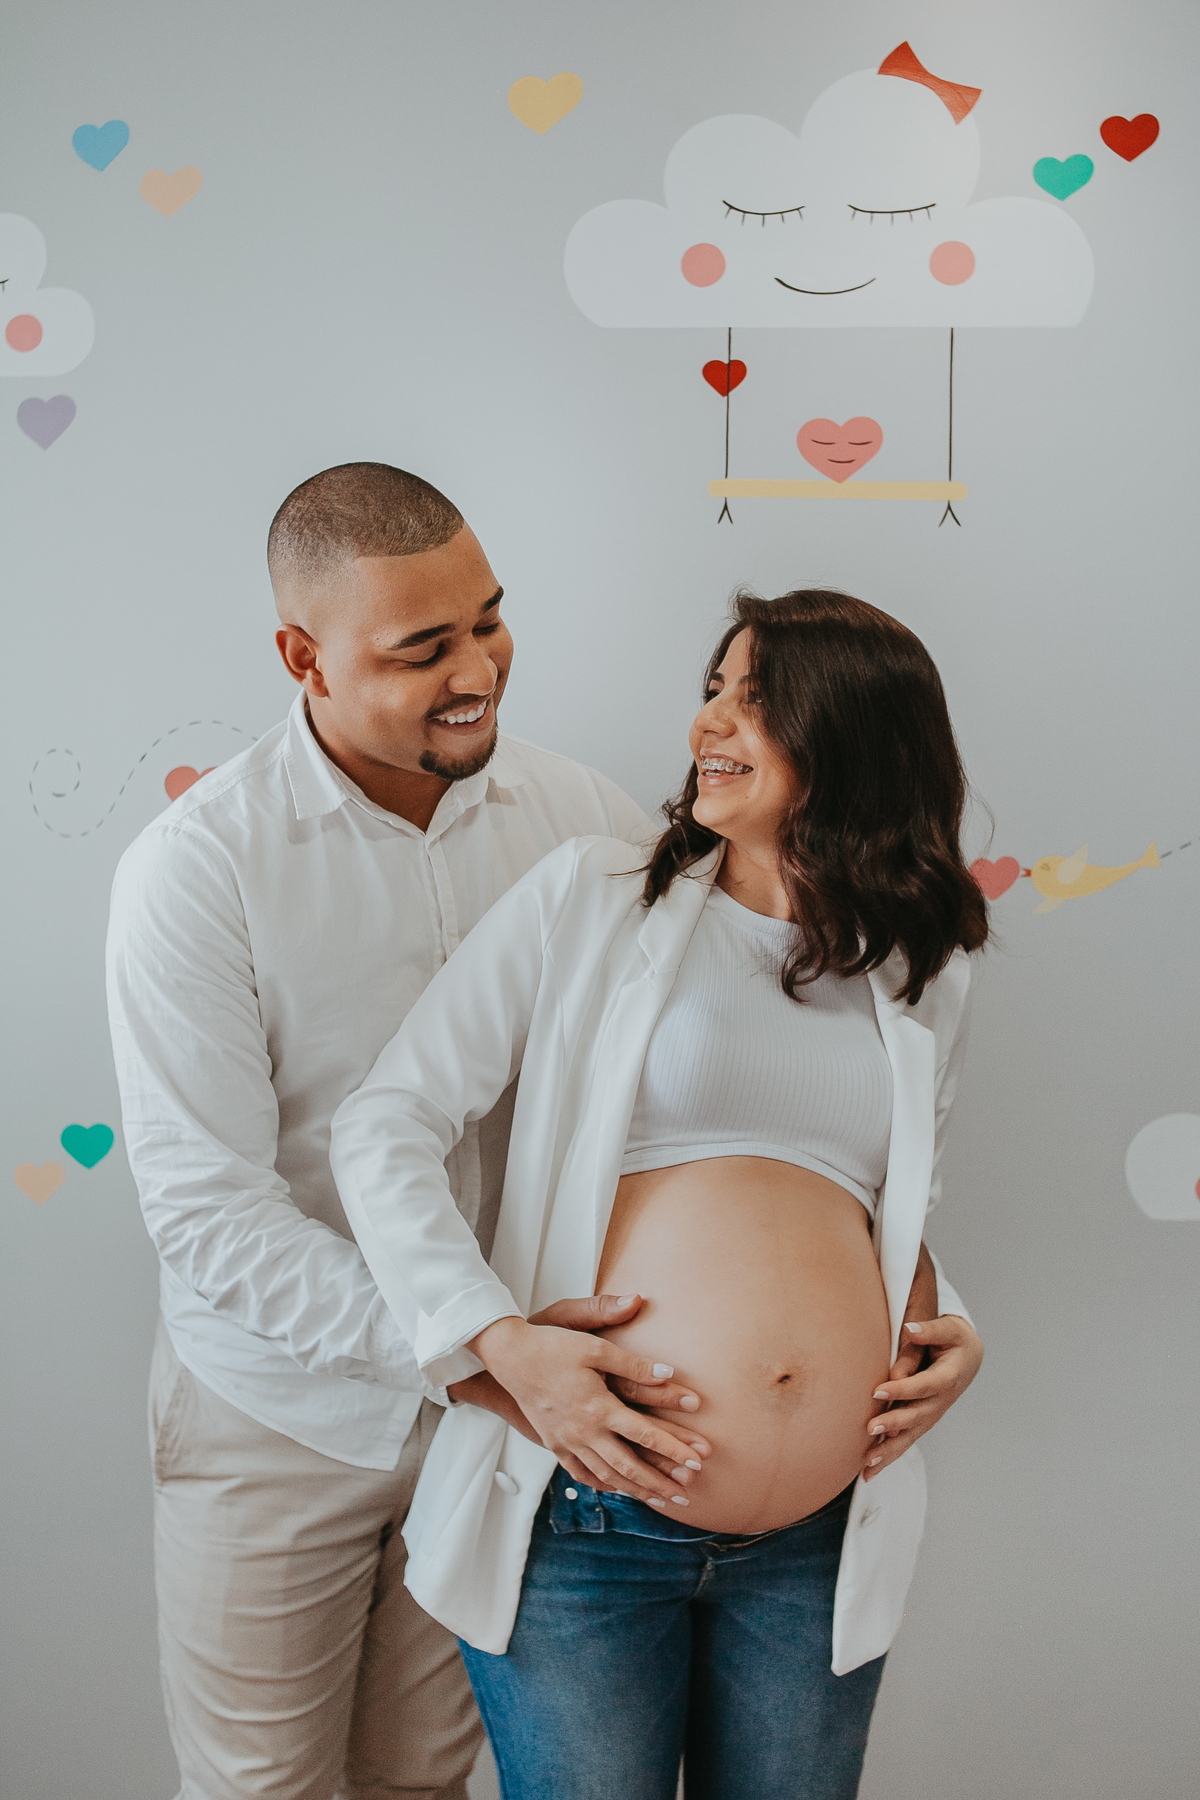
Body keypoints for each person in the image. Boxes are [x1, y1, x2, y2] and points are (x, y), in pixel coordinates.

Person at [105, 462, 704, 1800]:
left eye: (488, 619)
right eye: (423, 648)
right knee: (262, 1790)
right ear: (302, 658)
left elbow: (703, 1097)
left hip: (504, 1427)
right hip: (276, 1417)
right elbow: (209, 1211)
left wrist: (904, 1285)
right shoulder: (196, 872)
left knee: (424, 1790)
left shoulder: (590, 825)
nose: (479, 668)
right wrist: (475, 1352)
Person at [329, 588, 988, 1800]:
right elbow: (386, 1123)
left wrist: (953, 1333)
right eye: (711, 689)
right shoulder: (595, 894)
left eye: (755, 700)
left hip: (815, 1539)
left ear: (852, 738)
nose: (706, 726)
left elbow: (885, 1214)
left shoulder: (919, 970)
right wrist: (497, 1348)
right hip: (590, 1517)